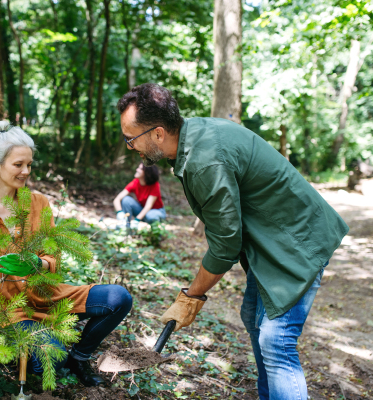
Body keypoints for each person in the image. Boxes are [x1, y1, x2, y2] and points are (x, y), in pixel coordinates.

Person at [116, 83, 348, 400]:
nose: (130, 147)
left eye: (131, 138)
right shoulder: (192, 137)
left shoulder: (203, 159)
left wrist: (191, 296)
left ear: (158, 133)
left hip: (297, 242)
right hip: (271, 243)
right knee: (253, 318)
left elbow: (226, 242)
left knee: (275, 340)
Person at [0, 123, 132, 387]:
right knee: (52, 358)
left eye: (29, 165)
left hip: (48, 295)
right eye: (18, 164)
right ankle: (56, 352)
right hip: (9, 313)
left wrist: (38, 263)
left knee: (119, 298)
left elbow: (53, 258)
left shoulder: (39, 204)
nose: (26, 172)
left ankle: (79, 357)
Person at [113, 163, 166, 230]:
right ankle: (125, 229)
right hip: (143, 210)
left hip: (156, 211)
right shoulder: (135, 182)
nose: (137, 169)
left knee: (151, 215)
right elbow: (117, 199)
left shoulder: (155, 185)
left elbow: (148, 206)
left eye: (140, 169)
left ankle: (156, 234)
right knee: (126, 200)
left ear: (147, 173)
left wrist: (136, 220)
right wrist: (119, 212)